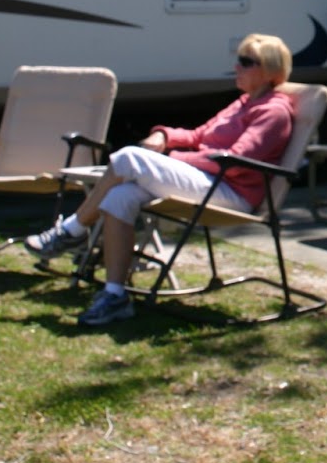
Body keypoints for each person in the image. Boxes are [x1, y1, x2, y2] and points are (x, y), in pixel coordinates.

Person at [24, 34, 295, 325]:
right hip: (208, 181)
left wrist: (173, 159)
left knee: (129, 158)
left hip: (232, 193)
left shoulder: (273, 112)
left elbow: (235, 161)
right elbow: (198, 135)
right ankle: (115, 296)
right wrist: (164, 135)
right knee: (119, 197)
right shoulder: (243, 103)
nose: (236, 66)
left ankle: (73, 229)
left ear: (268, 71)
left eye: (245, 61)